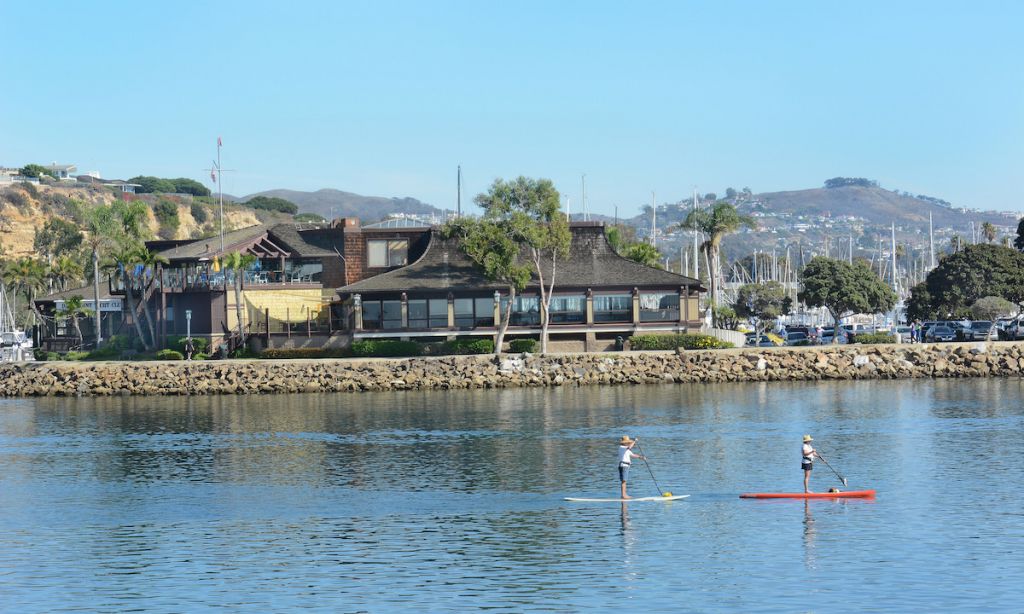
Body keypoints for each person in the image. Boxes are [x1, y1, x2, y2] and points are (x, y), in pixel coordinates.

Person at [617, 435, 646, 499]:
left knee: (624, 481)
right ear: (624, 442)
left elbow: (632, 455)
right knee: (624, 481)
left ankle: (624, 495)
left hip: (625, 466)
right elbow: (630, 447)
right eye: (627, 442)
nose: (628, 443)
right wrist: (635, 441)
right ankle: (624, 495)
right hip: (624, 466)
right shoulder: (622, 447)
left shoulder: (626, 449)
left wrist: (641, 457)